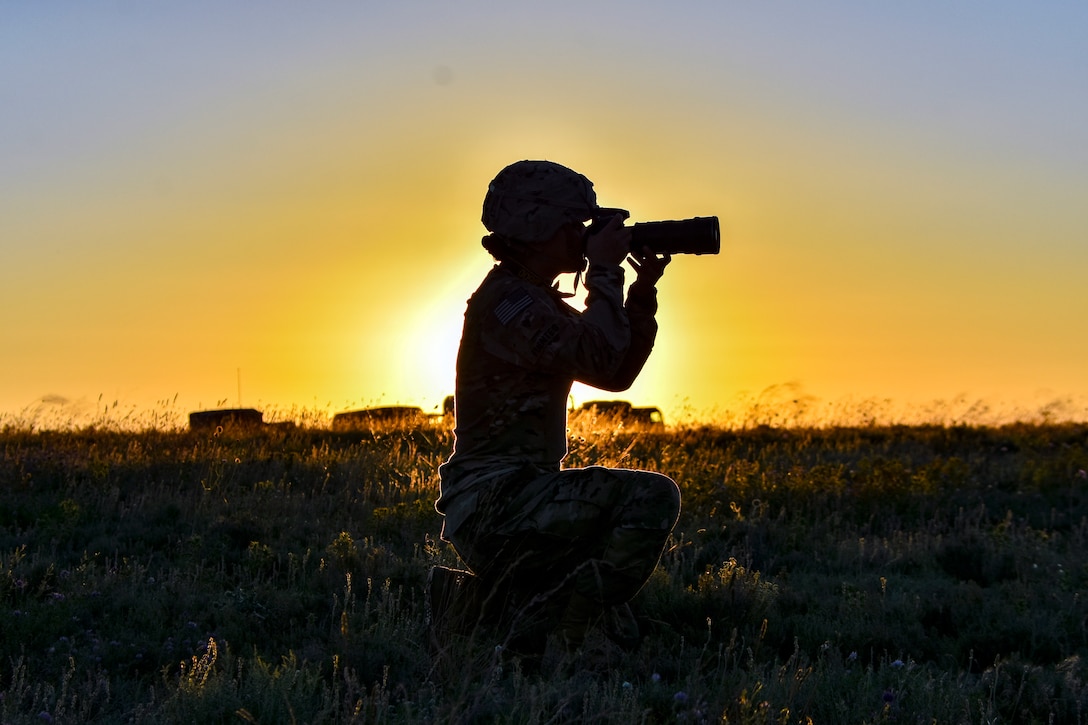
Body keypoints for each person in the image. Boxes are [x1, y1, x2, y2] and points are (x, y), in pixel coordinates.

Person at [430, 159, 681, 664]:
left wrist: (641, 293)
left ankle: (475, 604)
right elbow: (604, 360)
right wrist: (606, 273)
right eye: (577, 224)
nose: (584, 237)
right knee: (650, 497)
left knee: (621, 621)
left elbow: (615, 372)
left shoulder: (530, 298)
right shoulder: (511, 305)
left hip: (519, 497)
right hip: (495, 504)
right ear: (539, 226)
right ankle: (554, 635)